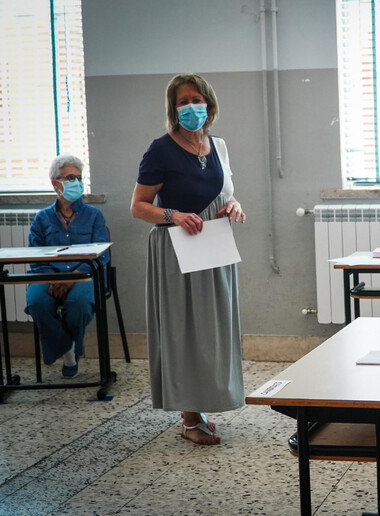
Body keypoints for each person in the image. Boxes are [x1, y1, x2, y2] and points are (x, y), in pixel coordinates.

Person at [131, 73, 246, 445]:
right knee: (184, 331)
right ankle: (188, 416)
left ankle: (205, 401)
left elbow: (228, 191)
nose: (190, 107)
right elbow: (139, 207)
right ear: (173, 109)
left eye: (196, 99)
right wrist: (174, 216)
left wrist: (234, 205)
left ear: (209, 104)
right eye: (182, 102)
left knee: (213, 330)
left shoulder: (218, 146)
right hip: (176, 248)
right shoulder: (160, 150)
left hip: (214, 246)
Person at [25, 155, 109, 378]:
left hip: (86, 276)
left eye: (79, 178)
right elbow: (35, 256)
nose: (76, 183)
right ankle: (69, 348)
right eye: (70, 177)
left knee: (79, 304)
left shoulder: (94, 216)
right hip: (48, 277)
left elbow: (102, 256)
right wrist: (53, 279)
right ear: (55, 183)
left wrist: (73, 277)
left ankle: (69, 352)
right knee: (36, 303)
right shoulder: (42, 218)